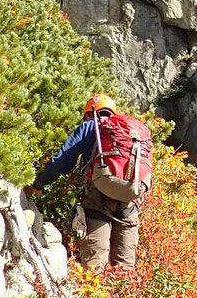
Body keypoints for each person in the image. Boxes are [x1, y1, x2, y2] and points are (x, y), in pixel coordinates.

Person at [34, 93, 154, 273]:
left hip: (98, 198)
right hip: (130, 202)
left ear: (89, 113)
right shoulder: (131, 136)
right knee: (125, 268)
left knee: (95, 266)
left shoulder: (90, 127)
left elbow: (62, 162)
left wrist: (38, 184)